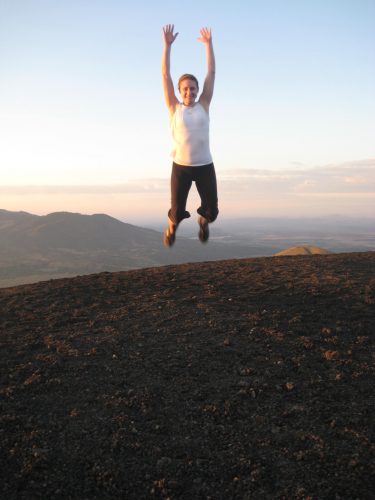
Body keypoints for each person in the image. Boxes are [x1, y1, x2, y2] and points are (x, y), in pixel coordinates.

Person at [162, 24, 219, 247]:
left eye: (193, 88)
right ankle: (171, 229)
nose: (189, 92)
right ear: (179, 91)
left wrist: (208, 44)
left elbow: (212, 73)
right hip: (181, 168)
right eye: (185, 88)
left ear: (197, 90)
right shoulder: (173, 108)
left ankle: (203, 223)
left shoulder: (204, 104)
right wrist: (167, 46)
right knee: (176, 212)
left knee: (212, 210)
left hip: (205, 165)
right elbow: (165, 74)